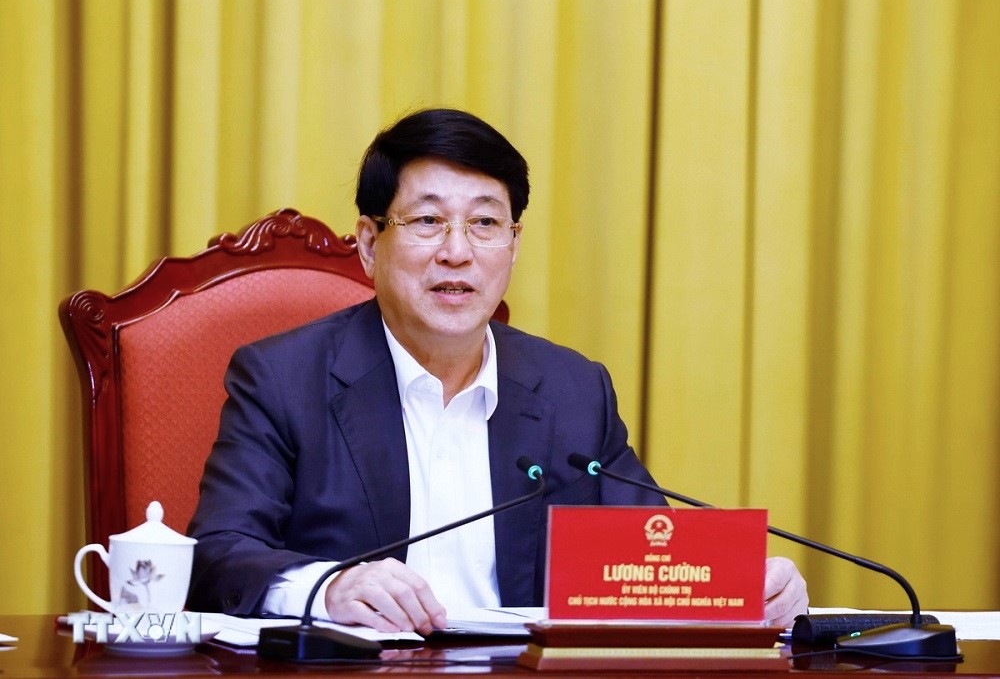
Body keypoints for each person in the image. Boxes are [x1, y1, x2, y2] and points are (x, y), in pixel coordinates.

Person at [187, 108, 808, 634]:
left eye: (485, 223)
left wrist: (743, 586)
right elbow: (218, 556)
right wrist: (327, 590)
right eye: (427, 221)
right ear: (371, 245)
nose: (457, 252)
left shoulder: (573, 390)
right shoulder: (282, 379)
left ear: (513, 244)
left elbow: (652, 561)